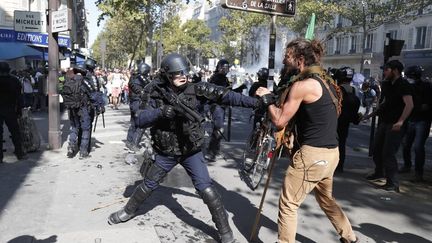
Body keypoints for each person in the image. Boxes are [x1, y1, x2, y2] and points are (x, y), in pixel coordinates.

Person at [108, 53, 261, 243]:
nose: (184, 76)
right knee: (149, 184)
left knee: (207, 190)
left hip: (191, 150)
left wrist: (257, 103)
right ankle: (127, 211)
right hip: (166, 151)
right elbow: (139, 119)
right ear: (166, 75)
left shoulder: (195, 88)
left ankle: (225, 231)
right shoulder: (152, 90)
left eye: (185, 72)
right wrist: (161, 112)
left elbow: (225, 95)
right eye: (177, 73)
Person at [255, 38, 358, 243]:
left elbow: (279, 120)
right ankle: (350, 238)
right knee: (326, 200)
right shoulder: (328, 82)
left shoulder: (303, 86)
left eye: (287, 56)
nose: (285, 60)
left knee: (289, 205)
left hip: (312, 156)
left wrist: (266, 98)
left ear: (300, 59)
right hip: (331, 154)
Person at [362, 60, 413, 192]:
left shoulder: (404, 84)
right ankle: (379, 172)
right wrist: (369, 115)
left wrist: (401, 121)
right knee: (377, 149)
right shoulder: (386, 84)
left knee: (388, 153)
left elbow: (409, 105)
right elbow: (384, 104)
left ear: (395, 70)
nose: (384, 72)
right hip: (384, 122)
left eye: (386, 69)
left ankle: (393, 182)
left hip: (395, 124)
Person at [62, 63, 104, 159]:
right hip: (83, 108)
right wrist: (99, 106)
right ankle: (83, 152)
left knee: (74, 127)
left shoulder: (69, 80)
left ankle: (71, 147)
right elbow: (93, 95)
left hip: (72, 108)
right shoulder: (85, 81)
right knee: (86, 129)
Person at [399, 65, 432, 182]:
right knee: (406, 144)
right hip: (410, 120)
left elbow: (426, 106)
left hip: (422, 121)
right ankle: (407, 165)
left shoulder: (426, 87)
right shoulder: (408, 86)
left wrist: (412, 107)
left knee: (418, 147)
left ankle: (419, 173)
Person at [334, 67, 360, 172]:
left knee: (333, 143)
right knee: (342, 143)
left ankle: (333, 165)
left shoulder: (337, 89)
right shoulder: (354, 89)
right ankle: (340, 165)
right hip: (346, 121)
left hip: (336, 120)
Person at [0, 62, 27, 163]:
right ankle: (19, 153)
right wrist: (20, 110)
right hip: (10, 109)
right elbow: (19, 98)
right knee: (15, 132)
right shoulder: (14, 80)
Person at [205, 59, 231, 161]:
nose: (225, 70)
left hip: (220, 107)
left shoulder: (223, 78)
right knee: (218, 129)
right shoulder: (216, 78)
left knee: (218, 129)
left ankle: (215, 149)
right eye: (223, 68)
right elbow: (220, 93)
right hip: (216, 107)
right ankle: (211, 152)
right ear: (219, 68)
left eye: (227, 68)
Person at [125, 62, 152, 152]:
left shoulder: (133, 77)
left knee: (133, 123)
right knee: (142, 124)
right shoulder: (141, 79)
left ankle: (129, 142)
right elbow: (148, 89)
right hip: (139, 103)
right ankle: (134, 144)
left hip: (133, 102)